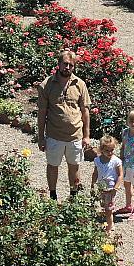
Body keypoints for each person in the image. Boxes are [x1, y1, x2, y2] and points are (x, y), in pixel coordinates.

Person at [37, 49, 91, 200]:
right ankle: (53, 195)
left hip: (75, 135)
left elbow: (85, 111)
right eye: (65, 64)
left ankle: (73, 196)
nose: (67, 68)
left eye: (71, 65)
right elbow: (42, 113)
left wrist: (86, 136)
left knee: (74, 166)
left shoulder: (80, 84)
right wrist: (41, 137)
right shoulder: (46, 85)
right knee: (53, 165)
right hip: (54, 135)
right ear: (59, 64)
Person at [91, 135, 123, 232]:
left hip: (110, 188)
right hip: (101, 187)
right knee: (104, 205)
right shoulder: (98, 160)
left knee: (108, 208)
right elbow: (95, 172)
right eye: (107, 150)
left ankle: (109, 226)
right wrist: (92, 184)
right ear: (101, 149)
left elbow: (120, 175)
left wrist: (116, 187)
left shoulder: (116, 161)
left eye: (112, 150)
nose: (110, 153)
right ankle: (108, 221)